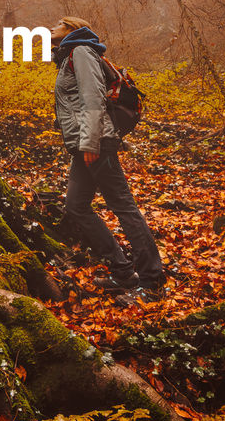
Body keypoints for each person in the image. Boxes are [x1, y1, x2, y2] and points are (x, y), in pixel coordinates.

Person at [50, 16, 166, 302]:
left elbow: (93, 98)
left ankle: (152, 282)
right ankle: (123, 271)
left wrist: (90, 141)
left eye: (58, 24)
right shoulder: (69, 57)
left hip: (97, 141)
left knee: (123, 206)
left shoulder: (81, 52)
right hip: (84, 143)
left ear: (71, 30)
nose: (51, 27)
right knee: (76, 206)